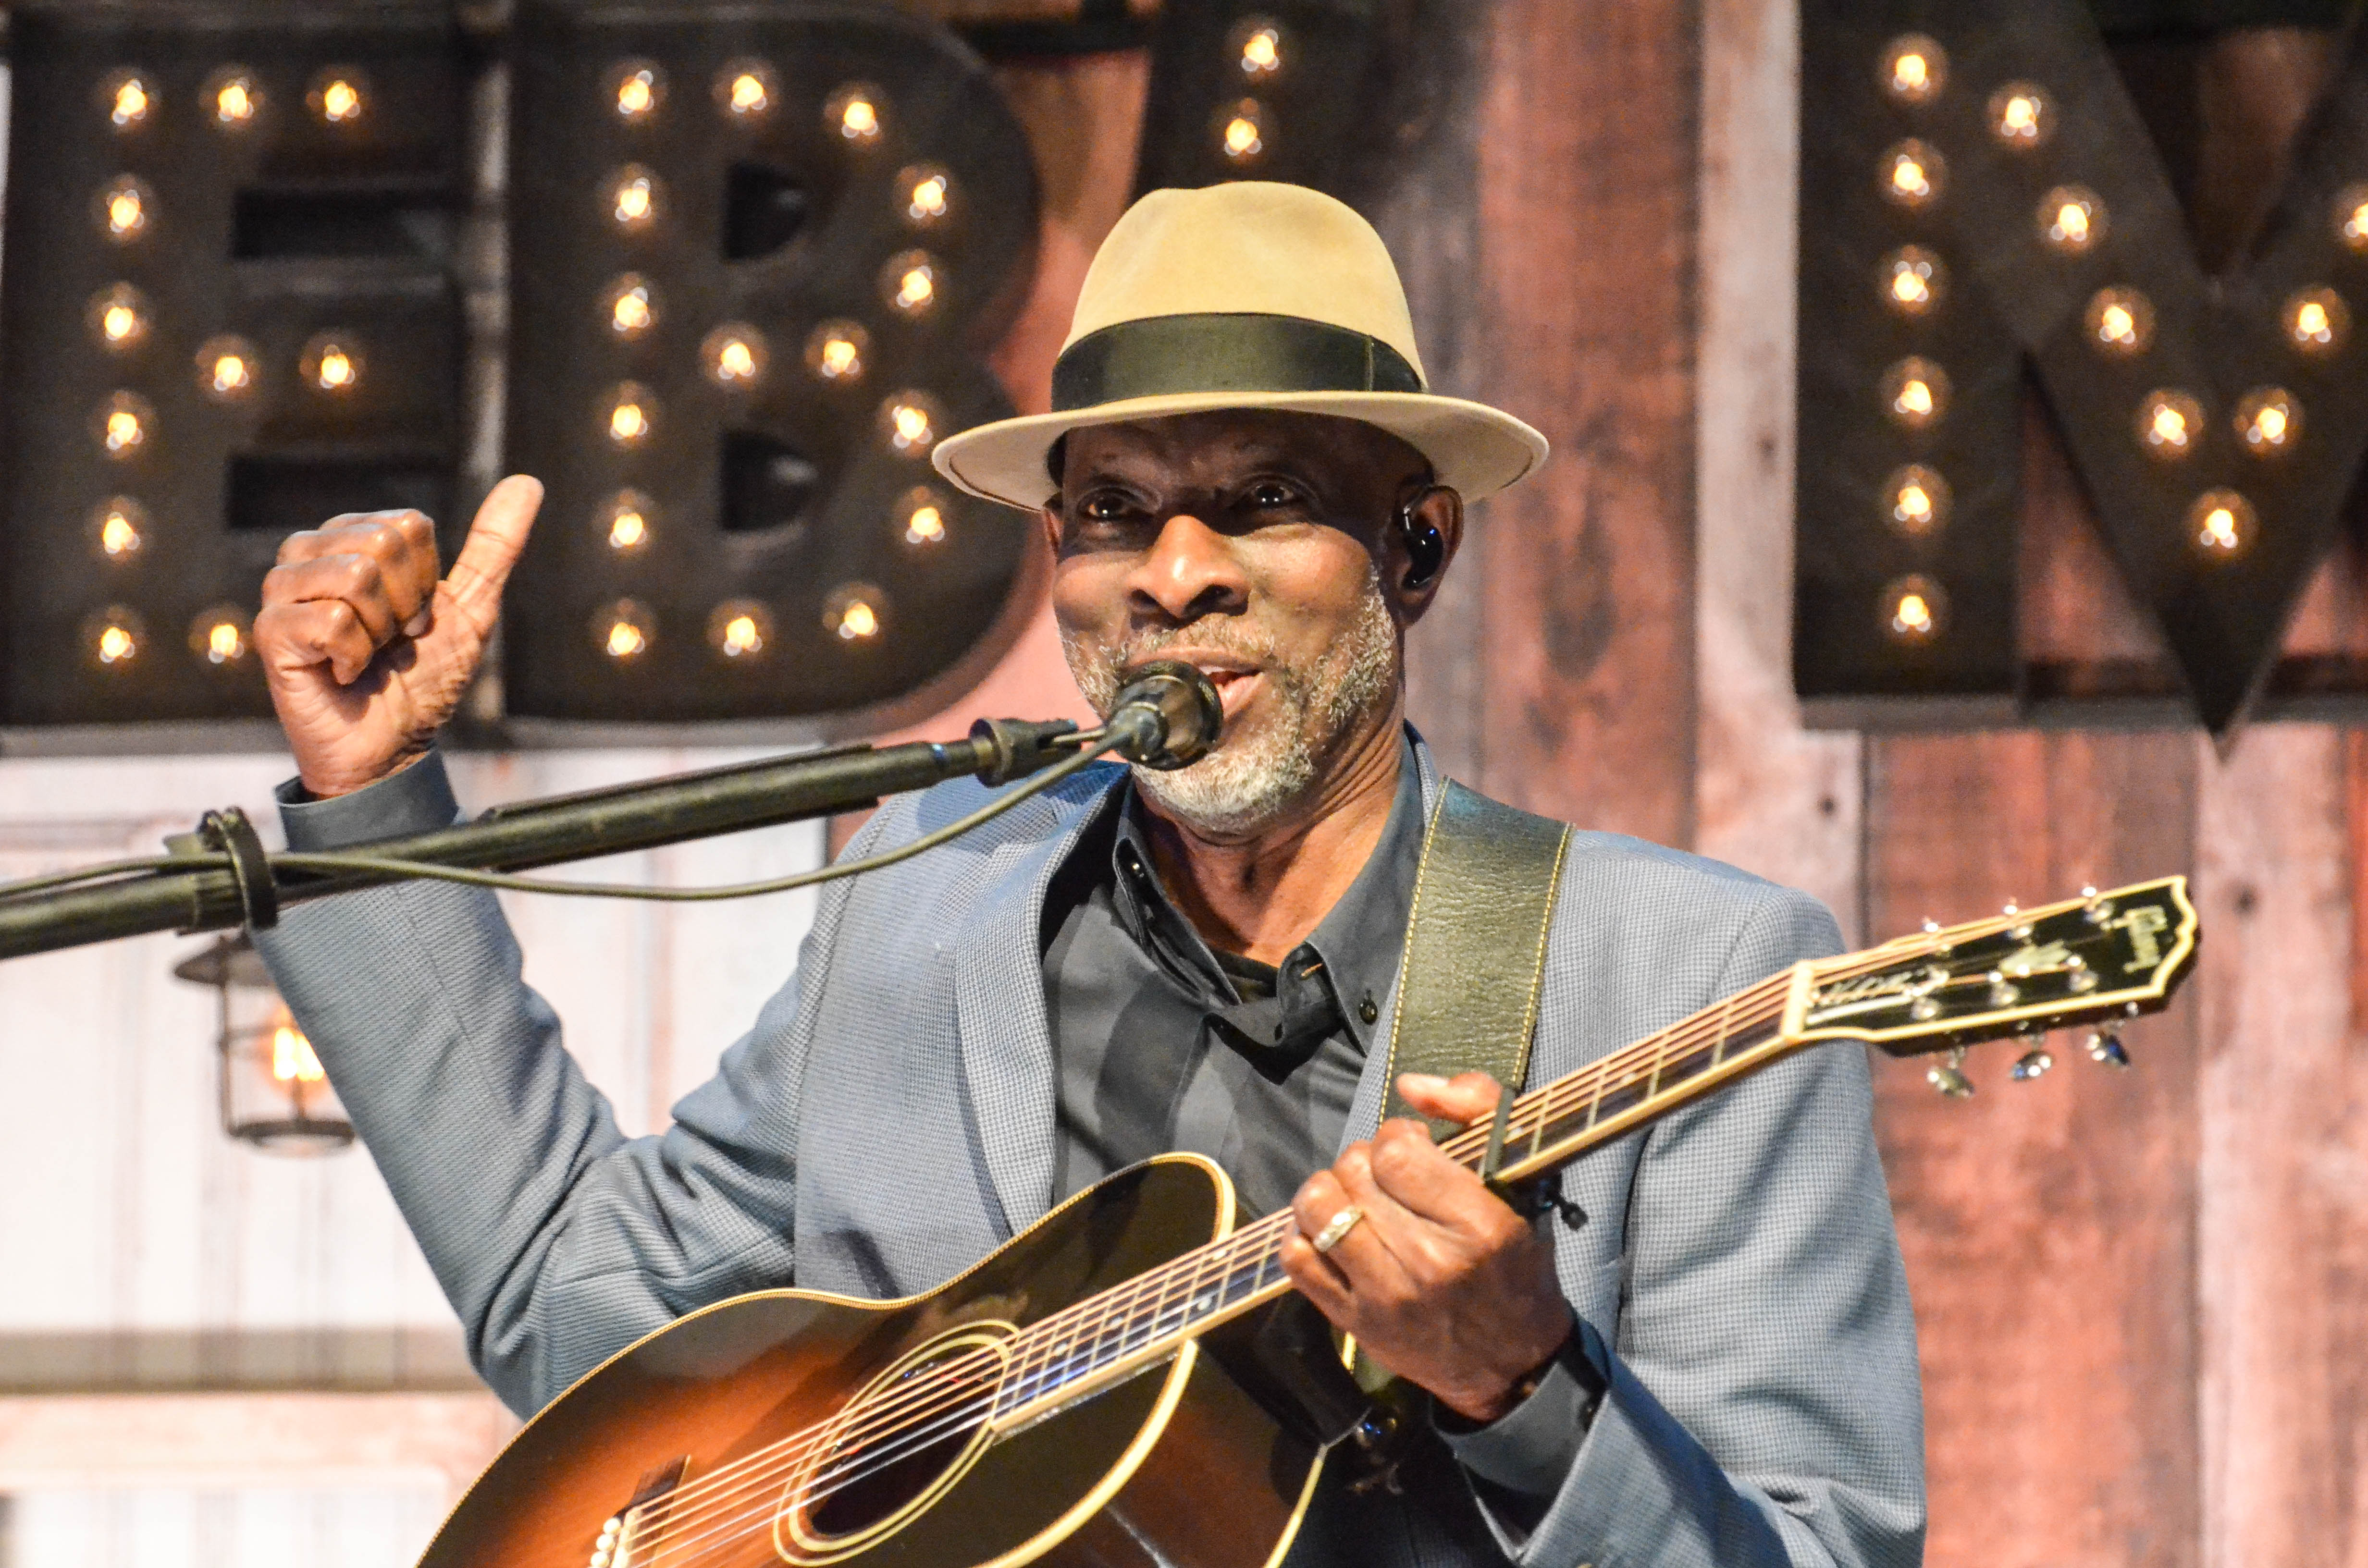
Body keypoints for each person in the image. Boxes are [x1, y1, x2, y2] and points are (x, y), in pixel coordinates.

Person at [251, 183, 1922, 1566]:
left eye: (1263, 500)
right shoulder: (926, 890)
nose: (1173, 577)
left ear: (1416, 547)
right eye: (1112, 512)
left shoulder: (1700, 977)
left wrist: (1528, 1388)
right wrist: (373, 800)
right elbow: (586, 1323)